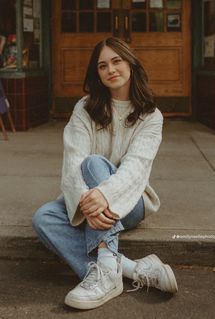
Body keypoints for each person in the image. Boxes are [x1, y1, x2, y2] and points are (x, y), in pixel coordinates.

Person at [32, 37, 178, 310]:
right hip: (90, 204)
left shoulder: (151, 116)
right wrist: (88, 204)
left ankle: (106, 273)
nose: (110, 69)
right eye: (102, 65)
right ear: (97, 74)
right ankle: (127, 269)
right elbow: (72, 161)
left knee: (93, 165)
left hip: (130, 202)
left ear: (130, 65)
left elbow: (136, 168)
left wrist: (103, 194)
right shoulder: (84, 109)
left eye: (117, 61)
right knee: (43, 218)